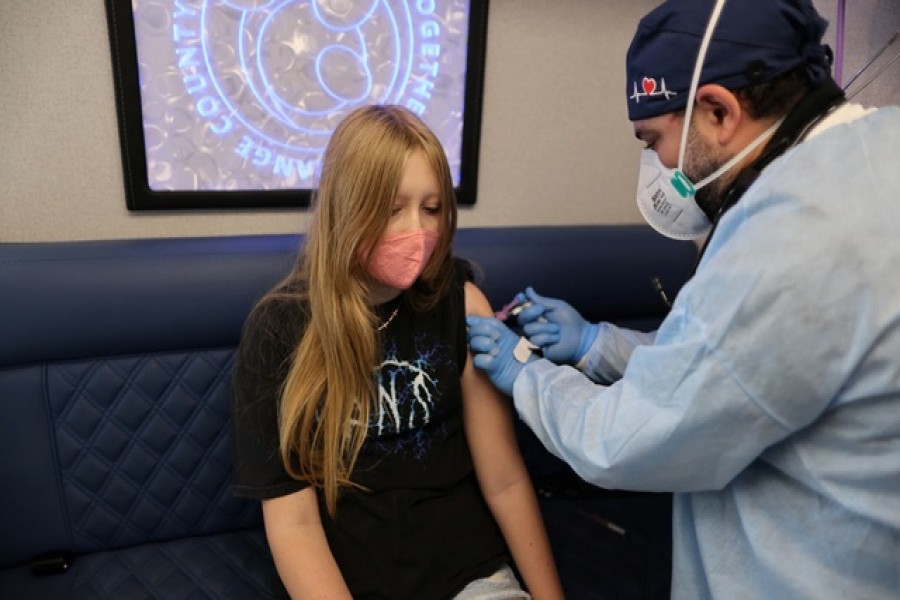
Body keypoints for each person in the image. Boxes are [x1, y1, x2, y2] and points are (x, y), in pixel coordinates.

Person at [466, 0, 900, 598]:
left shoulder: (791, 233)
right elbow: (734, 371)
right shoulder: (876, 151)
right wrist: (598, 344)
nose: (661, 164)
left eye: (654, 139)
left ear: (719, 110)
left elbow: (625, 438)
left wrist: (528, 375)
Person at [230, 105, 564, 599]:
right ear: (347, 207)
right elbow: (293, 523)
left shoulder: (462, 301)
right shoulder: (279, 329)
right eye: (392, 208)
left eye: (431, 209)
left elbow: (504, 479)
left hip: (469, 574)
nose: (418, 231)